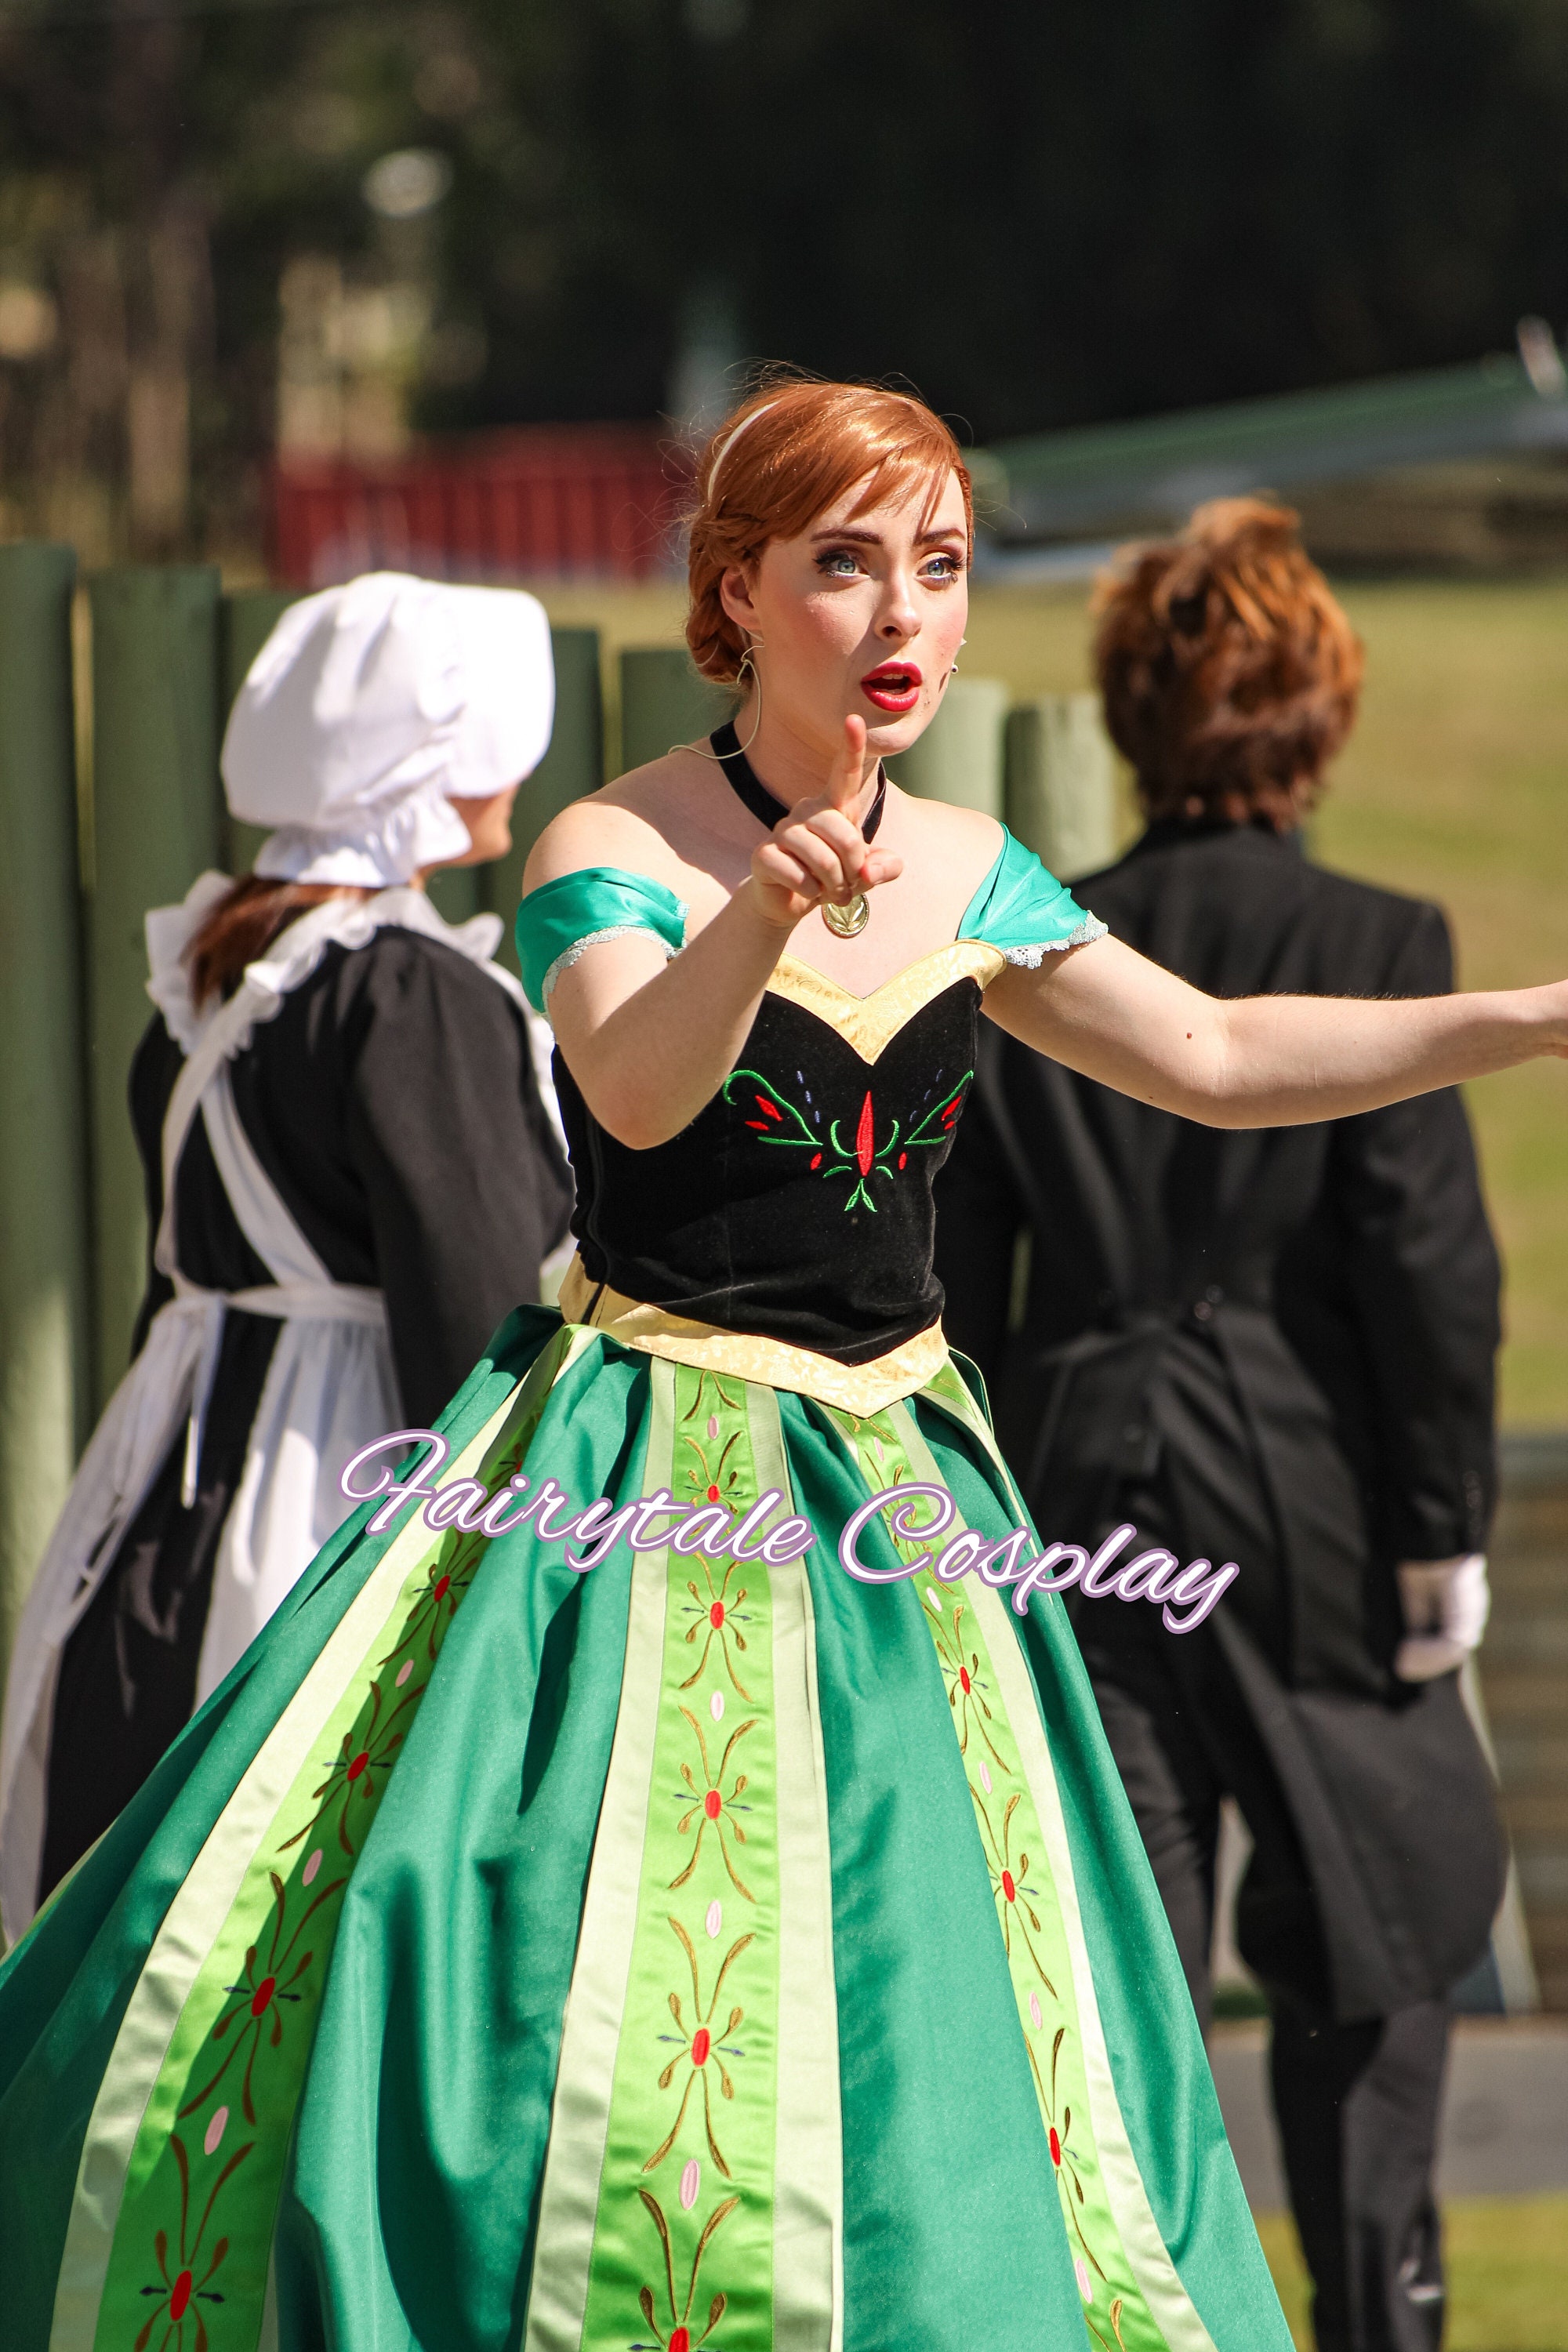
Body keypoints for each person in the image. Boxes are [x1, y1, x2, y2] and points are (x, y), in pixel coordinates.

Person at [2, 383, 1563, 2352]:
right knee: (531, 1975)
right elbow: (636, 1097)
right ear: (733, 592)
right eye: (844, 562)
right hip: (635, 1466)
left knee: (928, 1991)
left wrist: (1522, 1016)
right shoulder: (612, 838)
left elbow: (1221, 1062)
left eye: (940, 564)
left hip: (898, 1487)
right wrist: (755, 906)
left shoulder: (976, 865)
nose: (903, 611)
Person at [934, 499, 1505, 2352]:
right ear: (1317, 718)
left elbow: (962, 1263)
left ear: (1128, 715)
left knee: (1118, 1993)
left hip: (1072, 1502)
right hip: (1319, 1533)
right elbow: (1425, 1275)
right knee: (1373, 1967)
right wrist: (1442, 1532)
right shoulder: (1381, 933)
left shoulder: (1039, 943)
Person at [0, 572, 572, 1938]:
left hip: (164, 1480)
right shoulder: (406, 989)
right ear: (435, 760)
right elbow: (476, 1313)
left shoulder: (211, 978)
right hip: (333, 1474)